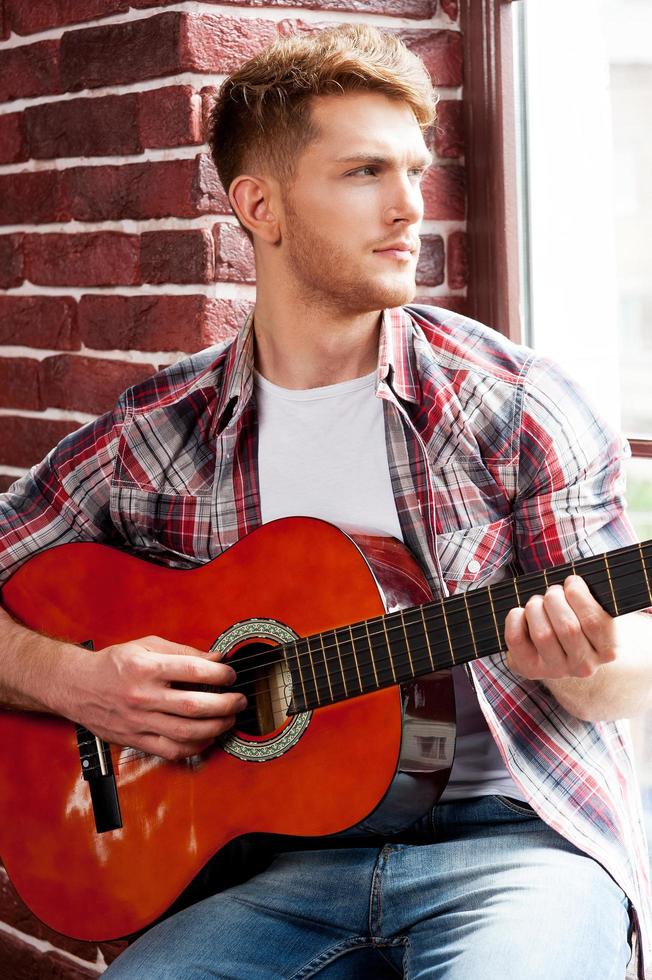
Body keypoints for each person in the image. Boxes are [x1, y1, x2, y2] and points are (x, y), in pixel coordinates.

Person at [0, 23, 650, 980]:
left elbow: (620, 679)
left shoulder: (514, 403)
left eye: (414, 172)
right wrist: (70, 681)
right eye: (362, 174)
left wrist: (583, 664)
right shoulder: (157, 434)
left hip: (516, 849)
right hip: (265, 869)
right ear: (258, 204)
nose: (408, 210)